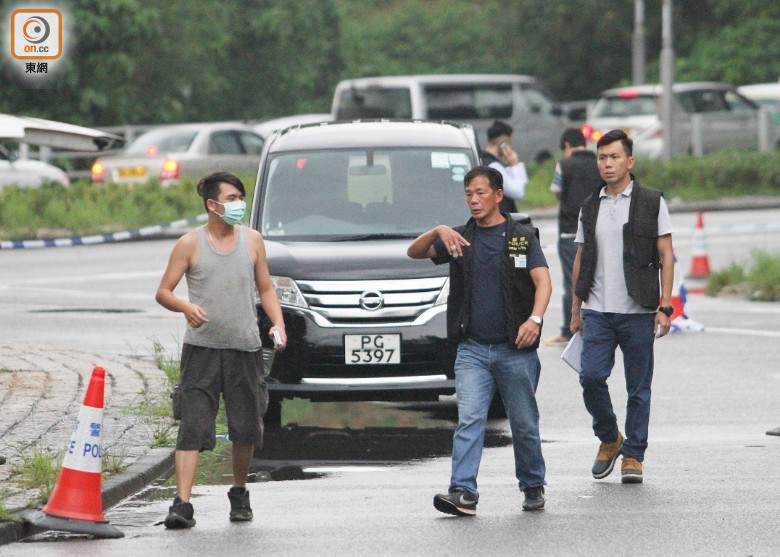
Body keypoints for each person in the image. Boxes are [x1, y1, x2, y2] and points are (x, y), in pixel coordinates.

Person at [407, 165, 552, 515]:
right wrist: (438, 230)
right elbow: (414, 252)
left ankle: (533, 485)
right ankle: (463, 492)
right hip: (472, 348)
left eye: (481, 193)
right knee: (470, 419)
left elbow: (543, 282)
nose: (474, 200)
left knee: (524, 425)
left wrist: (535, 319)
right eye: (469, 194)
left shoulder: (521, 236)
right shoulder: (459, 238)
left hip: (515, 350)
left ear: (499, 196)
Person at [155, 171, 286, 528]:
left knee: (246, 426)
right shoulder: (189, 244)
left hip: (245, 348)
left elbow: (267, 289)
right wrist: (186, 307)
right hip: (202, 350)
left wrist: (278, 323)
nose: (238, 204)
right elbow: (163, 291)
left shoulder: (253, 241)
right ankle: (182, 504)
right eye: (231, 199)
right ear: (212, 205)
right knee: (193, 427)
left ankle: (239, 493)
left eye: (240, 197)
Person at [570, 130, 674, 484]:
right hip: (597, 309)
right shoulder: (590, 205)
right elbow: (581, 257)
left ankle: (634, 455)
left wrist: (666, 306)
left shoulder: (651, 202)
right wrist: (575, 308)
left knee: (638, 388)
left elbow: (666, 255)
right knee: (591, 377)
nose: (607, 164)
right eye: (602, 157)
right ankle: (609, 436)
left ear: (630, 161)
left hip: (640, 310)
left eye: (614, 157)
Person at [543, 128, 602, 347]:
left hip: (570, 231)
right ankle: (597, 327)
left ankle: (569, 330)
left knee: (573, 282)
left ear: (567, 145)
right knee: (598, 280)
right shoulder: (599, 163)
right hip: (597, 231)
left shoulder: (564, 164)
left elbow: (557, 190)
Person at [481, 120, 529, 214]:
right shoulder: (494, 166)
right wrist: (515, 165)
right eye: (509, 144)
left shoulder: (486, 161)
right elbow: (518, 192)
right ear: (503, 143)